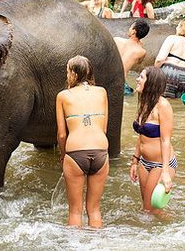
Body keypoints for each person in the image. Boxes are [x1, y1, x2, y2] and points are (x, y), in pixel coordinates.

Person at [56, 56, 109, 228]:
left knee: (74, 211)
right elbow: (105, 129)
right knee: (94, 209)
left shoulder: (63, 96)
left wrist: (63, 155)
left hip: (75, 153)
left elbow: (62, 135)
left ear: (72, 73)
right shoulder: (102, 92)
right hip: (101, 151)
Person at [130, 67, 176, 214]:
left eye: (141, 77)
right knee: (146, 209)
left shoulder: (163, 106)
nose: (137, 79)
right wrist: (135, 161)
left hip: (161, 164)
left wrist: (165, 172)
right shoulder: (144, 101)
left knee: (151, 209)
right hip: (144, 162)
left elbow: (165, 140)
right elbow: (141, 135)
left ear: (151, 83)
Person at [154, 19, 185, 99]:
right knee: (178, 103)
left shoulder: (172, 38)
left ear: (181, 28)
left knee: (161, 100)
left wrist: (154, 72)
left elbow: (160, 59)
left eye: (178, 25)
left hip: (169, 72)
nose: (176, 27)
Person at [114, 19, 149, 95]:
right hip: (120, 82)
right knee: (131, 94)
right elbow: (139, 62)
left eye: (131, 27)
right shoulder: (141, 51)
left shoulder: (116, 40)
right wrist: (140, 46)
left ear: (133, 31)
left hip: (108, 76)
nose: (129, 29)